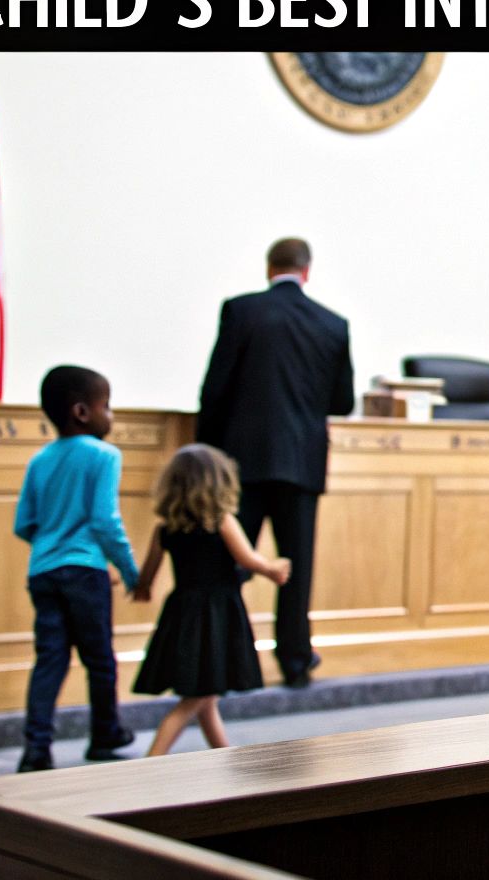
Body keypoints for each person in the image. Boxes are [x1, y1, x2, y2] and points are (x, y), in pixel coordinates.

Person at [195, 237, 353, 687]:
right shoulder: (332, 324)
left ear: (270, 268)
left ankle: (226, 656)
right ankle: (296, 660)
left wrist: (204, 453)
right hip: (302, 462)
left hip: (241, 462)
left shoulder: (241, 311)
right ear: (307, 271)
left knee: (231, 561)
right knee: (295, 566)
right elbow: (341, 401)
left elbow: (216, 387)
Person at [14, 365, 142, 772]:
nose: (112, 415)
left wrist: (53, 545)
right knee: (99, 659)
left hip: (43, 572)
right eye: (107, 405)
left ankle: (37, 747)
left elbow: (24, 524)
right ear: (83, 412)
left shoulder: (40, 460)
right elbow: (105, 520)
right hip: (86, 571)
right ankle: (105, 733)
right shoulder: (104, 455)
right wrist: (131, 570)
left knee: (50, 659)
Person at [131, 444, 291, 756]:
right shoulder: (221, 521)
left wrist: (142, 588)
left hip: (183, 613)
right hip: (216, 613)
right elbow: (247, 559)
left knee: (206, 693)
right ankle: (152, 759)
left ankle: (224, 755)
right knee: (198, 695)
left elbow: (148, 572)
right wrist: (273, 570)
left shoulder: (166, 529)